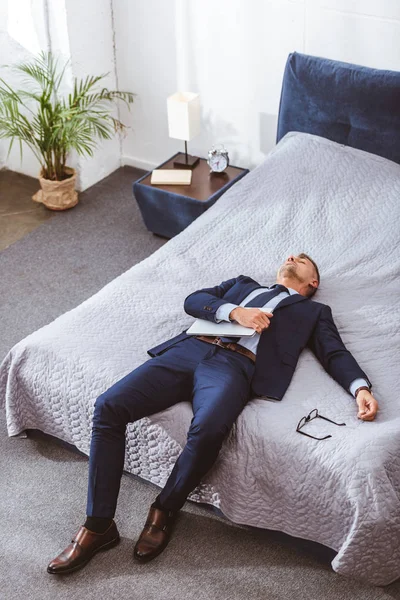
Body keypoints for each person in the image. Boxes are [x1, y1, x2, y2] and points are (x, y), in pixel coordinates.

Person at [47, 253, 378, 574]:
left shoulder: (314, 311)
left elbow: (334, 352)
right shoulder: (242, 284)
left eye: (302, 260)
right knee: (108, 406)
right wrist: (236, 313)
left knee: (208, 431)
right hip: (189, 350)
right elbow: (194, 300)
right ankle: (98, 525)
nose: (292, 257)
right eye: (291, 256)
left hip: (234, 366)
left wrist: (360, 388)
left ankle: (165, 508)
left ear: (313, 281)